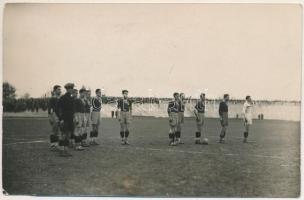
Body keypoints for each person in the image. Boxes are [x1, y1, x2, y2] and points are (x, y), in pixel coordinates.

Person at [57, 83, 75, 156]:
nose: (73, 89)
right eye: (72, 88)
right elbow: (58, 109)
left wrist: (73, 118)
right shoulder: (63, 98)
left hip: (70, 118)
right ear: (68, 89)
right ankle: (61, 150)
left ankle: (66, 150)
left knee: (68, 134)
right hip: (64, 118)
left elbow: (72, 110)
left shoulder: (71, 98)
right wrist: (61, 119)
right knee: (63, 134)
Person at [47, 85, 61, 151]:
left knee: (57, 130)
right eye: (58, 89)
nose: (60, 91)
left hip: (59, 116)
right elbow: (49, 109)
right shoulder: (52, 98)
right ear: (55, 90)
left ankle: (56, 144)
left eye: (60, 89)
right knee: (54, 130)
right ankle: (52, 145)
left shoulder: (59, 98)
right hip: (54, 115)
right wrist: (50, 117)